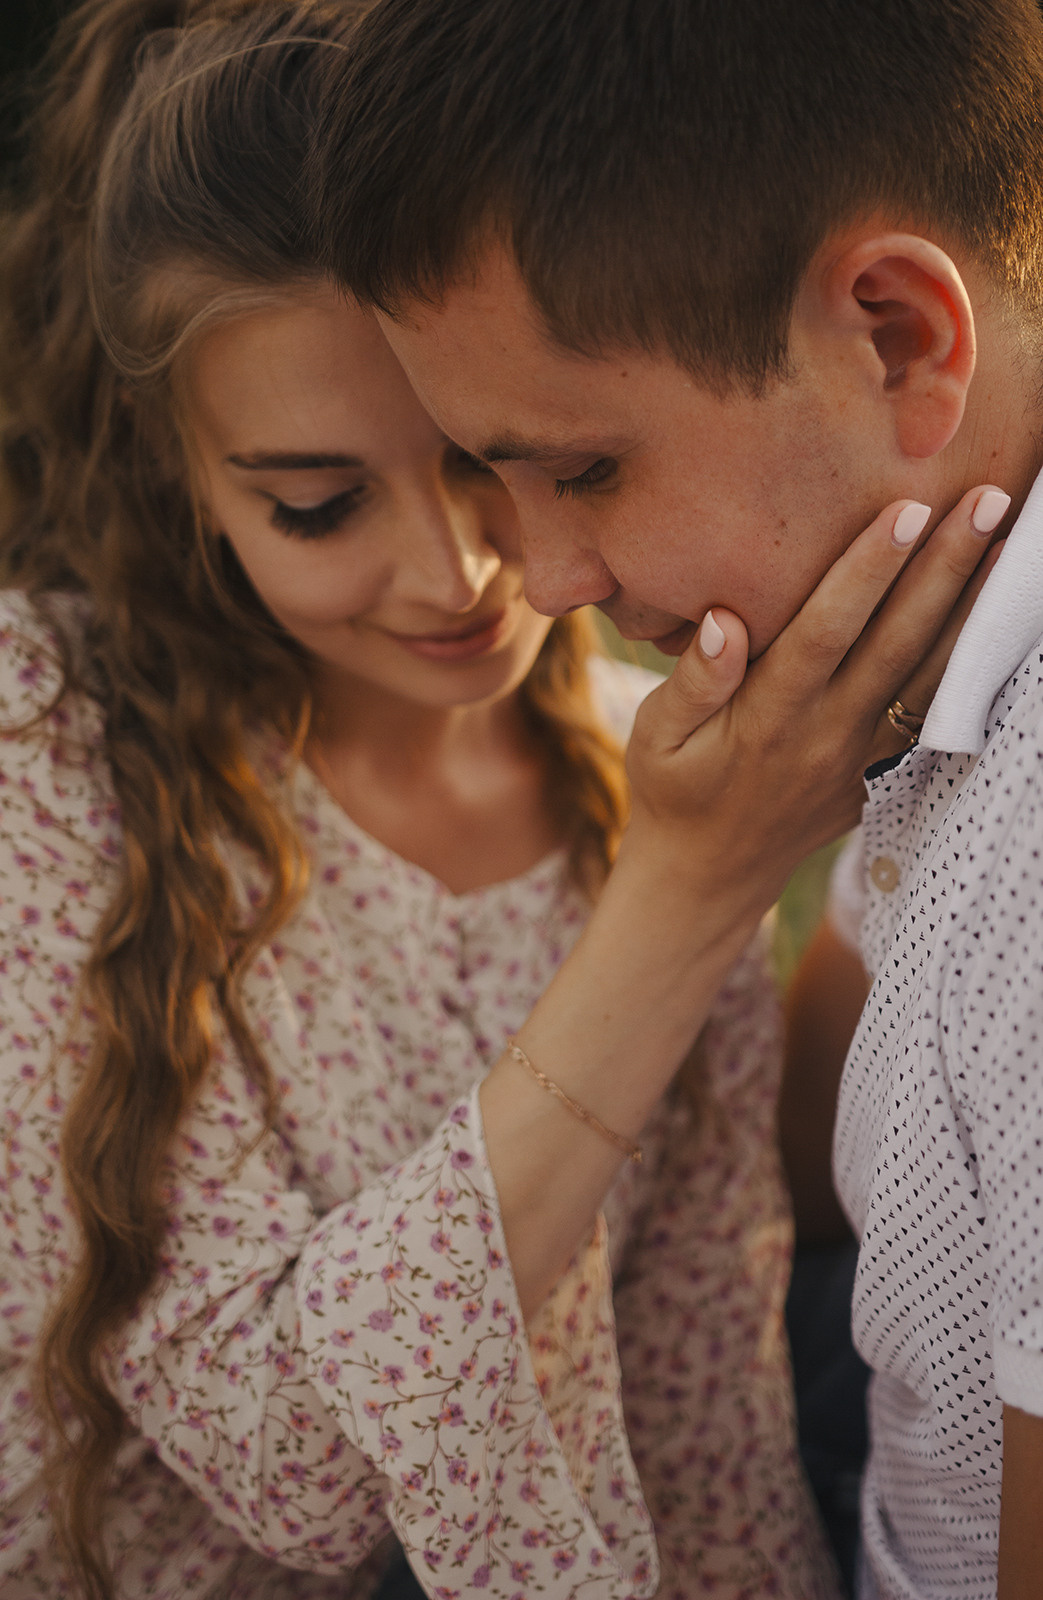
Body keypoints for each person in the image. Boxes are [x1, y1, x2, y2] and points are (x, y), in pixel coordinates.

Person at [0, 3, 998, 1599]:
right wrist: (683, 899)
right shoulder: (23, 740)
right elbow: (291, 1471)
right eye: (320, 504)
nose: (463, 572)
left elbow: (700, 1415)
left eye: (497, 465)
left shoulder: (636, 758)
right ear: (183, 468)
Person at [307, 2, 1043, 1597]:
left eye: (583, 472)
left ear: (900, 339)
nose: (546, 579)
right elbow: (854, 1122)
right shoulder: (934, 629)